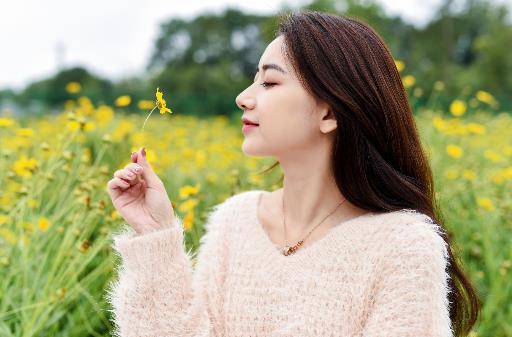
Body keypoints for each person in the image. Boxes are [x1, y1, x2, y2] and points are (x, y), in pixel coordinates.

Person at [106, 10, 480, 337]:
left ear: (329, 114)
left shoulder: (403, 245)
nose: (243, 97)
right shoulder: (235, 221)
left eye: (269, 82)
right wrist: (156, 234)